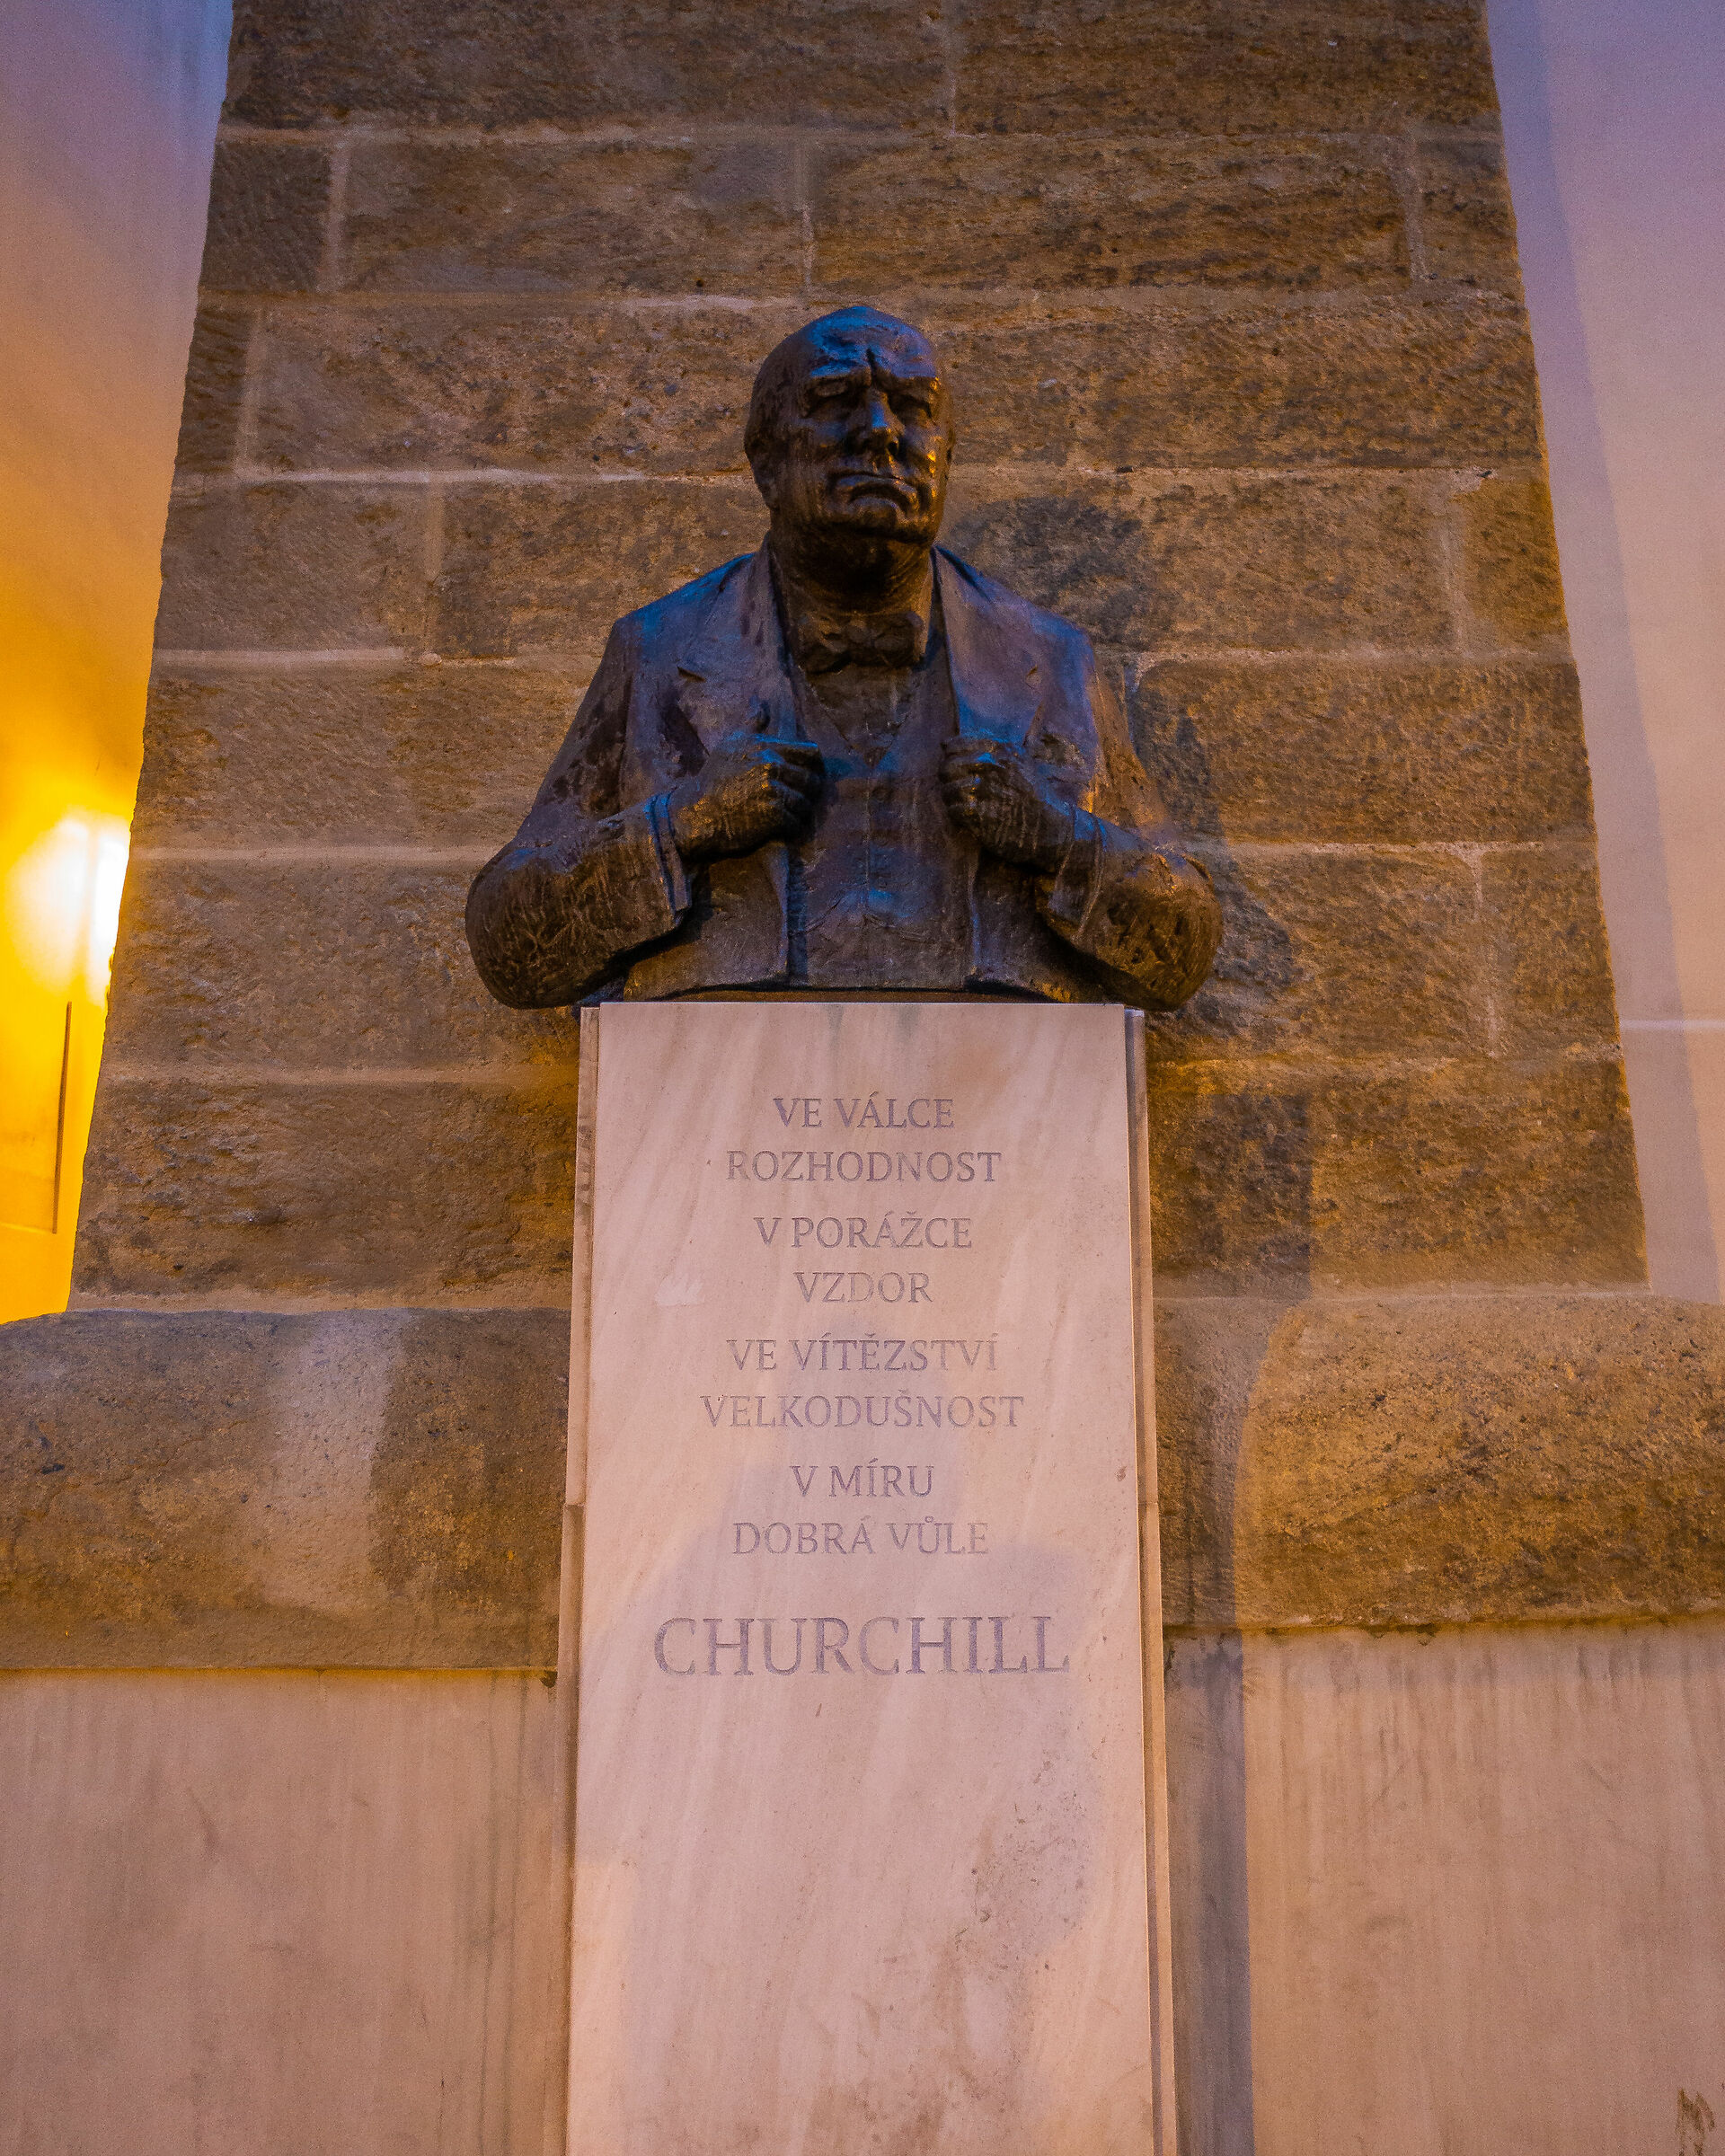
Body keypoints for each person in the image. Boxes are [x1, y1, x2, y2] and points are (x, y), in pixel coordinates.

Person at [465, 305, 1220, 1007]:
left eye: (914, 407)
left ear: (944, 453)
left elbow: (1181, 955)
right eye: (834, 401)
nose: (881, 433)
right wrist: (680, 826)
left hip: (996, 1095)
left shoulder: (1052, 660)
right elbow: (512, 949)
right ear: (765, 461)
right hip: (721, 1094)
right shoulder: (659, 651)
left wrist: (1059, 839)